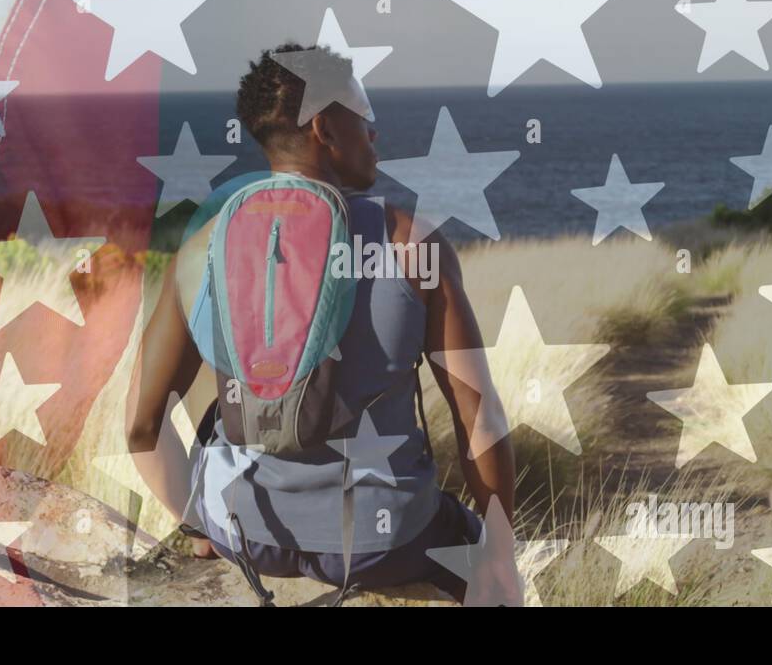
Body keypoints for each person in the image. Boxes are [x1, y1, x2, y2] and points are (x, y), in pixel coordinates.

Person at [125, 43, 520, 605]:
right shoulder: (409, 243)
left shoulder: (202, 248)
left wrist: (200, 521)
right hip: (385, 543)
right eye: (365, 114)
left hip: (244, 530)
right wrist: (500, 555)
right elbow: (479, 416)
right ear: (327, 127)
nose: (374, 133)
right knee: (480, 554)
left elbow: (142, 427)